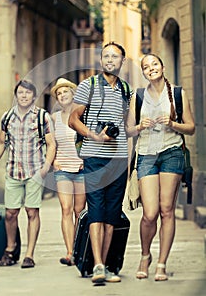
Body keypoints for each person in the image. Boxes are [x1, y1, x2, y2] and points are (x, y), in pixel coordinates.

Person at [126, 53, 195, 281]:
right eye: (146, 67)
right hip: (146, 154)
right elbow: (128, 130)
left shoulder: (177, 93)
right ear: (144, 72)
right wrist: (139, 126)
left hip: (172, 153)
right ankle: (145, 256)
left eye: (154, 64)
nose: (151, 68)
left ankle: (162, 263)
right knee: (149, 213)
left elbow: (191, 127)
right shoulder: (138, 96)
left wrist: (173, 123)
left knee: (167, 210)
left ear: (163, 67)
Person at [69, 42, 133, 284]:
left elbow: (127, 127)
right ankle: (97, 265)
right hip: (94, 157)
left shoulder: (126, 90)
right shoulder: (89, 85)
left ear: (121, 61)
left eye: (114, 56)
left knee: (111, 215)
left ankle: (105, 265)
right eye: (105, 56)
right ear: (100, 61)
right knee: (96, 211)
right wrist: (95, 136)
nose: (109, 60)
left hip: (118, 160)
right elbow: (73, 119)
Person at [0, 79, 56, 268]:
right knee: (10, 213)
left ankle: (29, 254)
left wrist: (46, 166)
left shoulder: (42, 117)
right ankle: (10, 248)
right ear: (16, 95)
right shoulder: (7, 117)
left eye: (28, 93)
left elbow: (51, 143)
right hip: (13, 171)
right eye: (21, 92)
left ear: (33, 95)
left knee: (32, 211)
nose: (24, 96)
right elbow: (1, 143)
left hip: (34, 171)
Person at [50, 78, 86, 266]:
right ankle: (70, 252)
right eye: (59, 93)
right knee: (66, 208)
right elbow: (50, 142)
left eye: (65, 92)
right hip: (62, 168)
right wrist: (53, 160)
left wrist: (85, 160)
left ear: (73, 94)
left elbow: (89, 140)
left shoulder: (82, 113)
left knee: (79, 211)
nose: (62, 95)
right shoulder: (54, 117)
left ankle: (80, 249)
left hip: (81, 168)